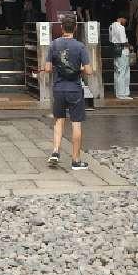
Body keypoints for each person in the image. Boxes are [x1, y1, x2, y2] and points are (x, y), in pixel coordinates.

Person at [45, 14, 92, 170]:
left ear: (62, 27)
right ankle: (76, 160)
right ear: (76, 28)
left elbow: (47, 68)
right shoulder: (80, 47)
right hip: (75, 90)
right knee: (76, 123)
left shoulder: (54, 45)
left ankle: (55, 151)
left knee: (59, 120)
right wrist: (78, 68)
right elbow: (89, 71)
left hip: (59, 88)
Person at [109, 12, 132, 100]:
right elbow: (123, 41)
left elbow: (111, 39)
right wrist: (130, 46)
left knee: (117, 72)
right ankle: (123, 93)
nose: (125, 22)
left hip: (115, 50)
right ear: (122, 18)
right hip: (123, 51)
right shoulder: (121, 27)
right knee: (124, 72)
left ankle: (117, 91)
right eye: (125, 20)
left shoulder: (111, 26)